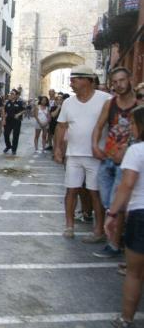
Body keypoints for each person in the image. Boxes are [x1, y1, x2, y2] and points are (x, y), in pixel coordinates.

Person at [54, 65, 111, 241]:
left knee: (96, 193)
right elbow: (61, 126)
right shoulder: (68, 102)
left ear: (88, 80)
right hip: (73, 154)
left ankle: (98, 231)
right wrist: (58, 148)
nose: (71, 83)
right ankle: (69, 226)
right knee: (71, 190)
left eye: (75, 79)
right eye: (71, 79)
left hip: (96, 155)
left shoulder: (106, 99)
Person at [105, 106, 144, 328]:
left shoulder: (136, 151)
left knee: (134, 273)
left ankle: (126, 320)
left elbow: (126, 185)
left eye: (133, 124)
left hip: (140, 214)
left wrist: (112, 214)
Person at [91, 67, 137, 258]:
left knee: (117, 204)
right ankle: (118, 238)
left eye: (122, 80)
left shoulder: (139, 105)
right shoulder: (110, 104)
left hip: (128, 163)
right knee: (107, 201)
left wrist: (126, 150)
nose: (119, 85)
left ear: (130, 80)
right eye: (115, 82)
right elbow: (99, 126)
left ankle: (114, 244)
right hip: (108, 159)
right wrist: (94, 145)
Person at [2, 90, 25, 155]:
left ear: (16, 95)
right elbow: (4, 111)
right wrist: (4, 119)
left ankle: (14, 149)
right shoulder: (8, 102)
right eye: (11, 94)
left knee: (15, 136)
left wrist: (18, 114)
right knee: (6, 134)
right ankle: (8, 146)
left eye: (12, 94)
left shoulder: (20, 102)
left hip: (16, 122)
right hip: (8, 121)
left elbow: (24, 110)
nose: (11, 95)